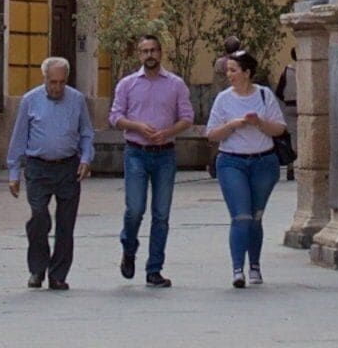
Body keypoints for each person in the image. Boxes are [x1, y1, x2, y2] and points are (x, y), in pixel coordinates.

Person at [3, 55, 100, 290]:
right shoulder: (30, 100)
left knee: (66, 224)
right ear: (44, 78)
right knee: (39, 216)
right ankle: (37, 269)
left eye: (61, 82)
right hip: (38, 167)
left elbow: (86, 133)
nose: (57, 87)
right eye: (52, 82)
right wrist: (14, 172)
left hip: (68, 167)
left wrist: (86, 158)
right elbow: (19, 137)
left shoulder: (76, 100)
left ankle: (58, 275)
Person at [109, 33, 194, 288]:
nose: (150, 55)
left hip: (165, 154)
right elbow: (115, 117)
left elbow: (187, 117)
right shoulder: (127, 84)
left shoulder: (176, 84)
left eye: (153, 50)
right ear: (139, 55)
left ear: (160, 52)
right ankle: (129, 247)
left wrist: (167, 132)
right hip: (136, 152)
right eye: (145, 51)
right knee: (135, 209)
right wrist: (137, 126)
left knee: (161, 214)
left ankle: (154, 269)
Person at [204, 49, 289, 288]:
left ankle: (255, 266)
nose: (229, 74)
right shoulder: (223, 99)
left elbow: (279, 129)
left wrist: (258, 122)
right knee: (241, 216)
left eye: (233, 70)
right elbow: (211, 134)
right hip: (232, 162)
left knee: (255, 216)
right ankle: (237, 269)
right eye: (228, 70)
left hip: (263, 162)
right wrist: (232, 125)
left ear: (247, 72)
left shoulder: (264, 95)